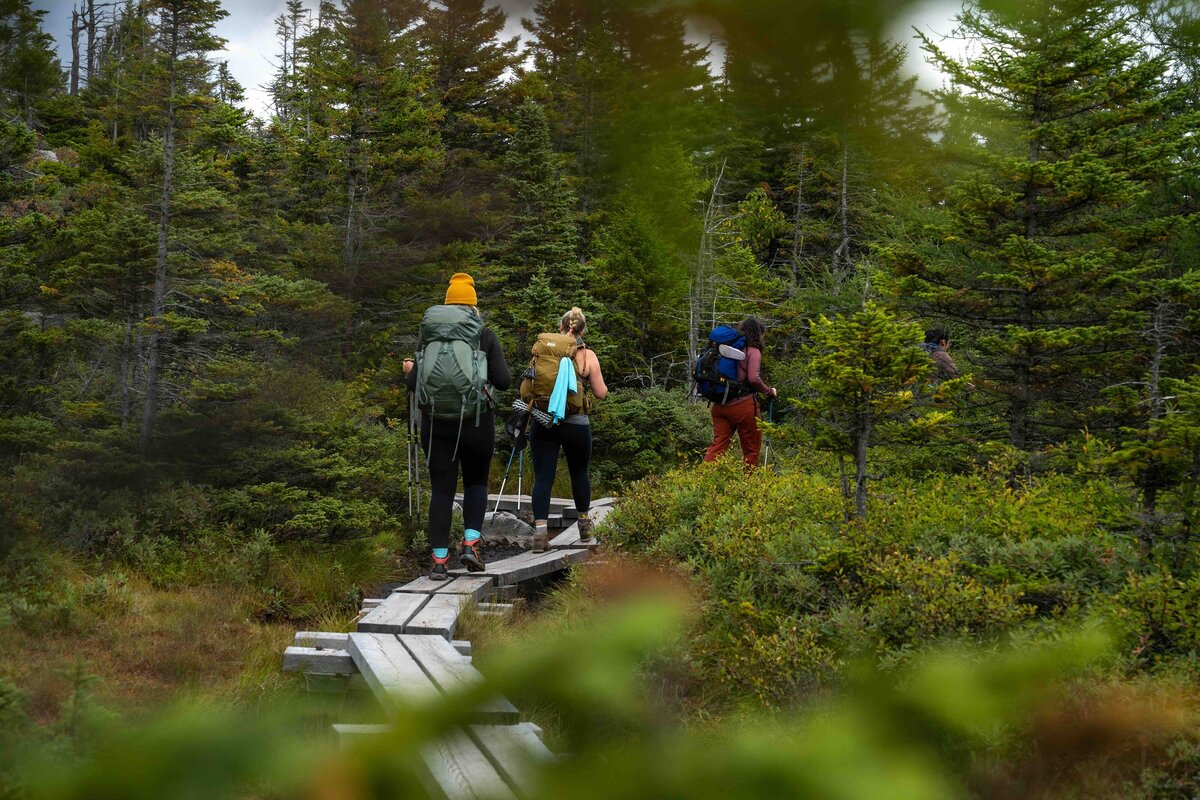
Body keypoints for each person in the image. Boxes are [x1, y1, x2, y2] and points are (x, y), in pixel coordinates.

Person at [405, 273, 511, 579]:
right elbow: (503, 381)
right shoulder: (483, 334)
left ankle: (439, 561)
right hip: (476, 422)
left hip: (437, 423)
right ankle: (470, 545)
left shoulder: (428, 335)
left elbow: (414, 384)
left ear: (447, 302)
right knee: (476, 482)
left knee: (441, 490)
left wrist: (410, 370)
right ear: (473, 305)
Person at [528, 307, 607, 551]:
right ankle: (584, 529)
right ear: (582, 330)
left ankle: (540, 535)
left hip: (543, 421)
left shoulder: (543, 351)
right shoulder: (587, 355)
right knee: (579, 472)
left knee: (543, 476)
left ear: (561, 327)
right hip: (576, 423)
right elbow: (601, 393)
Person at [703, 316, 777, 468]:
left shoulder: (727, 348)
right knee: (751, 449)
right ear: (759, 334)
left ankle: (700, 482)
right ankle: (748, 486)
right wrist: (769, 391)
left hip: (720, 405)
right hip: (742, 407)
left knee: (717, 446)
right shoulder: (753, 351)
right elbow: (753, 378)